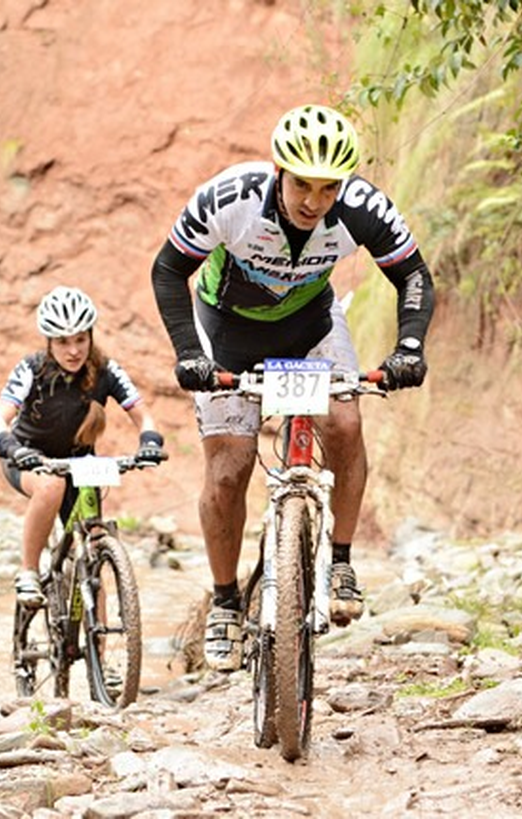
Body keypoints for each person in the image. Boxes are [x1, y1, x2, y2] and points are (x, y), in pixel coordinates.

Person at [150, 104, 435, 671]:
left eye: (328, 188)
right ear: (278, 170)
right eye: (302, 184)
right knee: (228, 468)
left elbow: (413, 275)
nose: (313, 201)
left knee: (346, 423)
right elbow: (168, 270)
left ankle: (342, 561)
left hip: (311, 329)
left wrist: (409, 347)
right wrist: (189, 354)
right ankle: (226, 603)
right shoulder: (229, 199)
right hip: (226, 332)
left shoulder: (362, 208)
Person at [0, 286, 168, 607]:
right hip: (28, 457)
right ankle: (28, 571)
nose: (73, 351)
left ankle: (101, 638)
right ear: (49, 342)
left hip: (81, 463)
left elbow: (144, 417)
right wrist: (10, 446)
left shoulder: (107, 371)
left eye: (80, 340)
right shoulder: (31, 368)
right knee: (51, 486)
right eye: (62, 342)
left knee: (93, 552)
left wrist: (150, 442)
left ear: (90, 337)